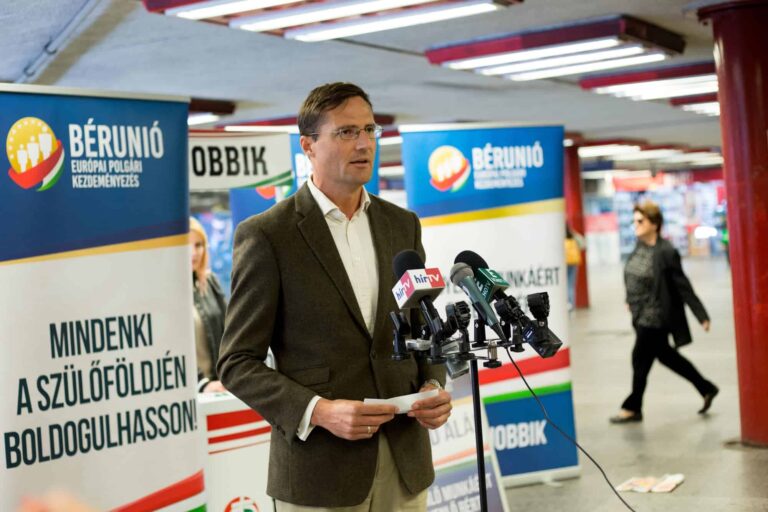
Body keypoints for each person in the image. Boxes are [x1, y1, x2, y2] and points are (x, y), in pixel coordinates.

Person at [217, 82, 452, 511]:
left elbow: (421, 327)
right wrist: (320, 411)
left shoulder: (402, 225)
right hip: (321, 470)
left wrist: (434, 384)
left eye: (369, 130)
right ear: (308, 146)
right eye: (346, 132)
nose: (364, 143)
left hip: (405, 460)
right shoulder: (268, 235)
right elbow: (237, 363)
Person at [610, 201, 718, 424]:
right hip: (639, 314)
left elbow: (682, 285)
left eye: (640, 221)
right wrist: (630, 299)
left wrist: (701, 315)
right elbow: (634, 276)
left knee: (639, 359)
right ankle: (706, 387)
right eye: (634, 221)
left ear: (654, 224)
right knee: (667, 357)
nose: (635, 225)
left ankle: (632, 407)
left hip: (656, 316)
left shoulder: (666, 252)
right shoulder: (639, 246)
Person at [190, 217, 228, 393]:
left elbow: (229, 332)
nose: (194, 252)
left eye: (198, 245)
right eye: (186, 245)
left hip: (221, 386)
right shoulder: (167, 291)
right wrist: (202, 384)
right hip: (191, 390)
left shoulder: (210, 282)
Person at [564, 223, 585, 311]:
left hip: (564, 263)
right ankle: (572, 305)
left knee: (565, 285)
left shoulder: (558, 236)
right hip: (573, 262)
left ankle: (567, 304)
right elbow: (583, 244)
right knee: (571, 285)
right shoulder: (573, 235)